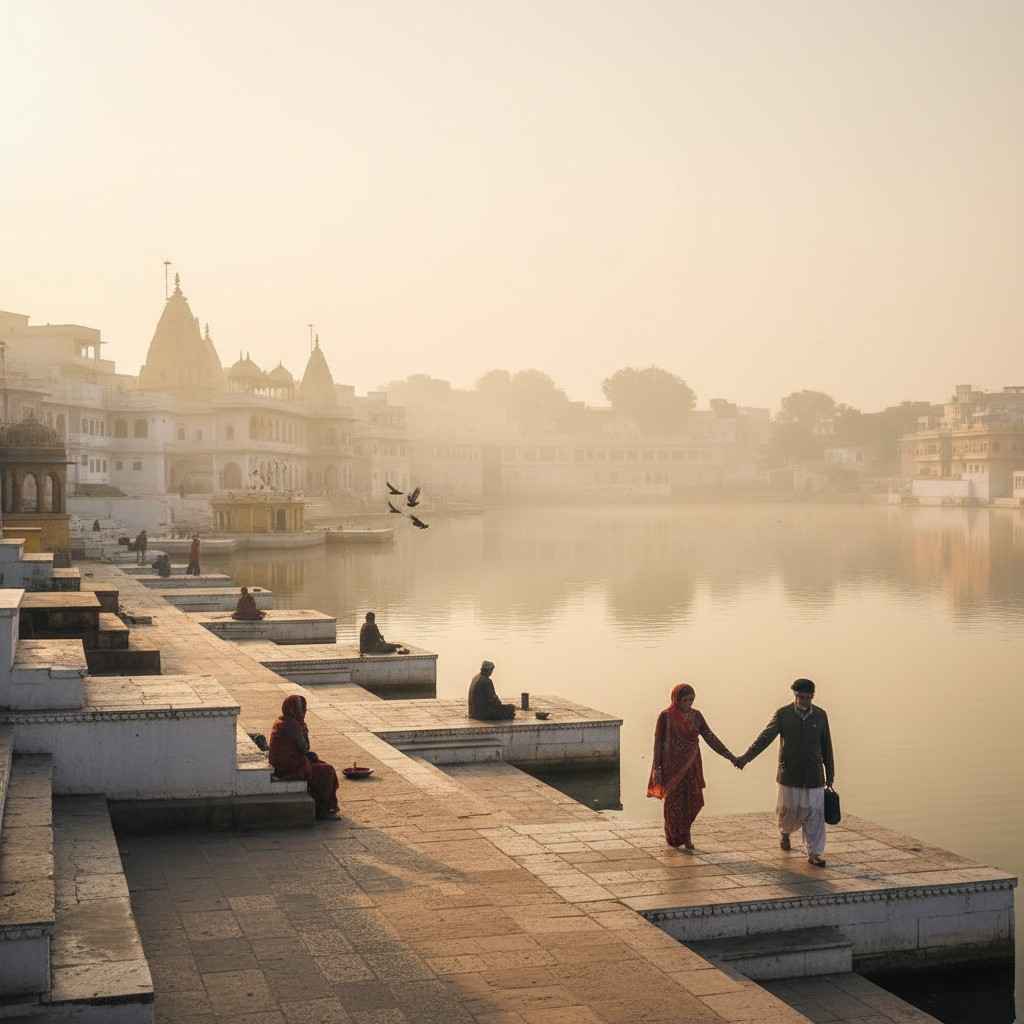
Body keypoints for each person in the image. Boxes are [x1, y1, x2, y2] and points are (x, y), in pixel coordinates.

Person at [736, 678, 836, 867]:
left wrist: (830, 774)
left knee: (815, 814)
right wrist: (745, 758)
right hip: (789, 774)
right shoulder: (784, 714)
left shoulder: (821, 716)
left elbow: (827, 747)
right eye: (799, 697)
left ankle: (814, 853)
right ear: (794, 695)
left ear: (812, 696)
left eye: (806, 697)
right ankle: (785, 833)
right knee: (788, 812)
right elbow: (765, 738)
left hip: (814, 775)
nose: (803, 701)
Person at [647, 683, 739, 850]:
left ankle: (686, 834)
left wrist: (730, 756)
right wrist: (657, 769)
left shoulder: (697, 716)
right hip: (672, 768)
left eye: (691, 700)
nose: (688, 704)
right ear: (676, 699)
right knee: (674, 803)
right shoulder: (666, 716)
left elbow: (710, 737)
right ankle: (675, 836)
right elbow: (658, 743)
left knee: (692, 800)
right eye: (685, 700)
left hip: (692, 765)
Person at [268, 694, 340, 820]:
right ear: (294, 710)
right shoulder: (293, 725)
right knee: (327, 771)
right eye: (302, 709)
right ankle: (322, 810)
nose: (304, 712)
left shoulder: (282, 720)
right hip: (289, 766)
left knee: (319, 764)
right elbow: (304, 747)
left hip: (285, 762)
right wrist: (304, 731)